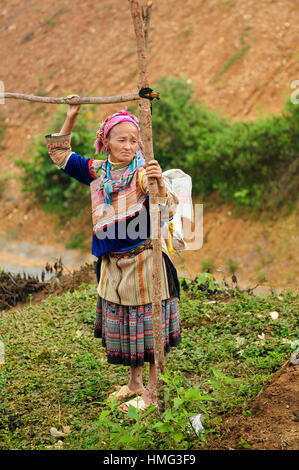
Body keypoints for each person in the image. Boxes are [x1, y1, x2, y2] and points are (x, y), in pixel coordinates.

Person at [45, 95, 181, 412]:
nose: (129, 145)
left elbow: (166, 206)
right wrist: (72, 114)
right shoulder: (98, 171)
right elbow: (59, 154)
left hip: (145, 261)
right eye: (121, 139)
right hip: (114, 266)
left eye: (134, 140)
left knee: (149, 326)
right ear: (106, 142)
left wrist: (159, 183)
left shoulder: (141, 174)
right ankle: (133, 383)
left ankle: (152, 389)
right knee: (129, 325)